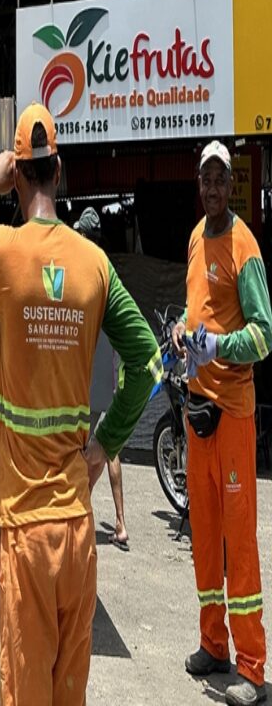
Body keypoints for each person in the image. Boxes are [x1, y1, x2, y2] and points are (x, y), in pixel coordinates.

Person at [0, 103, 160, 706]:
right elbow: (148, 363)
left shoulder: (4, 252)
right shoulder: (95, 264)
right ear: (59, 171)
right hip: (78, 532)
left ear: (21, 175)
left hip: (25, 532)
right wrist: (104, 446)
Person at [172, 140, 270, 706]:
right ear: (198, 183)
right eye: (204, 179)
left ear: (229, 184)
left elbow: (265, 333)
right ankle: (214, 642)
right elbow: (194, 310)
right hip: (196, 409)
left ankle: (254, 669)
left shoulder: (244, 246)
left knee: (240, 539)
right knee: (204, 535)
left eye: (219, 180)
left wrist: (220, 345)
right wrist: (187, 336)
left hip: (232, 412)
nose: (211, 188)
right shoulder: (193, 238)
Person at [74, 206, 130, 550]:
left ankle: (80, 518)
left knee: (85, 455)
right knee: (108, 449)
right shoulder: (107, 271)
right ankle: (120, 523)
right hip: (106, 373)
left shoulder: (87, 269)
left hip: (89, 377)